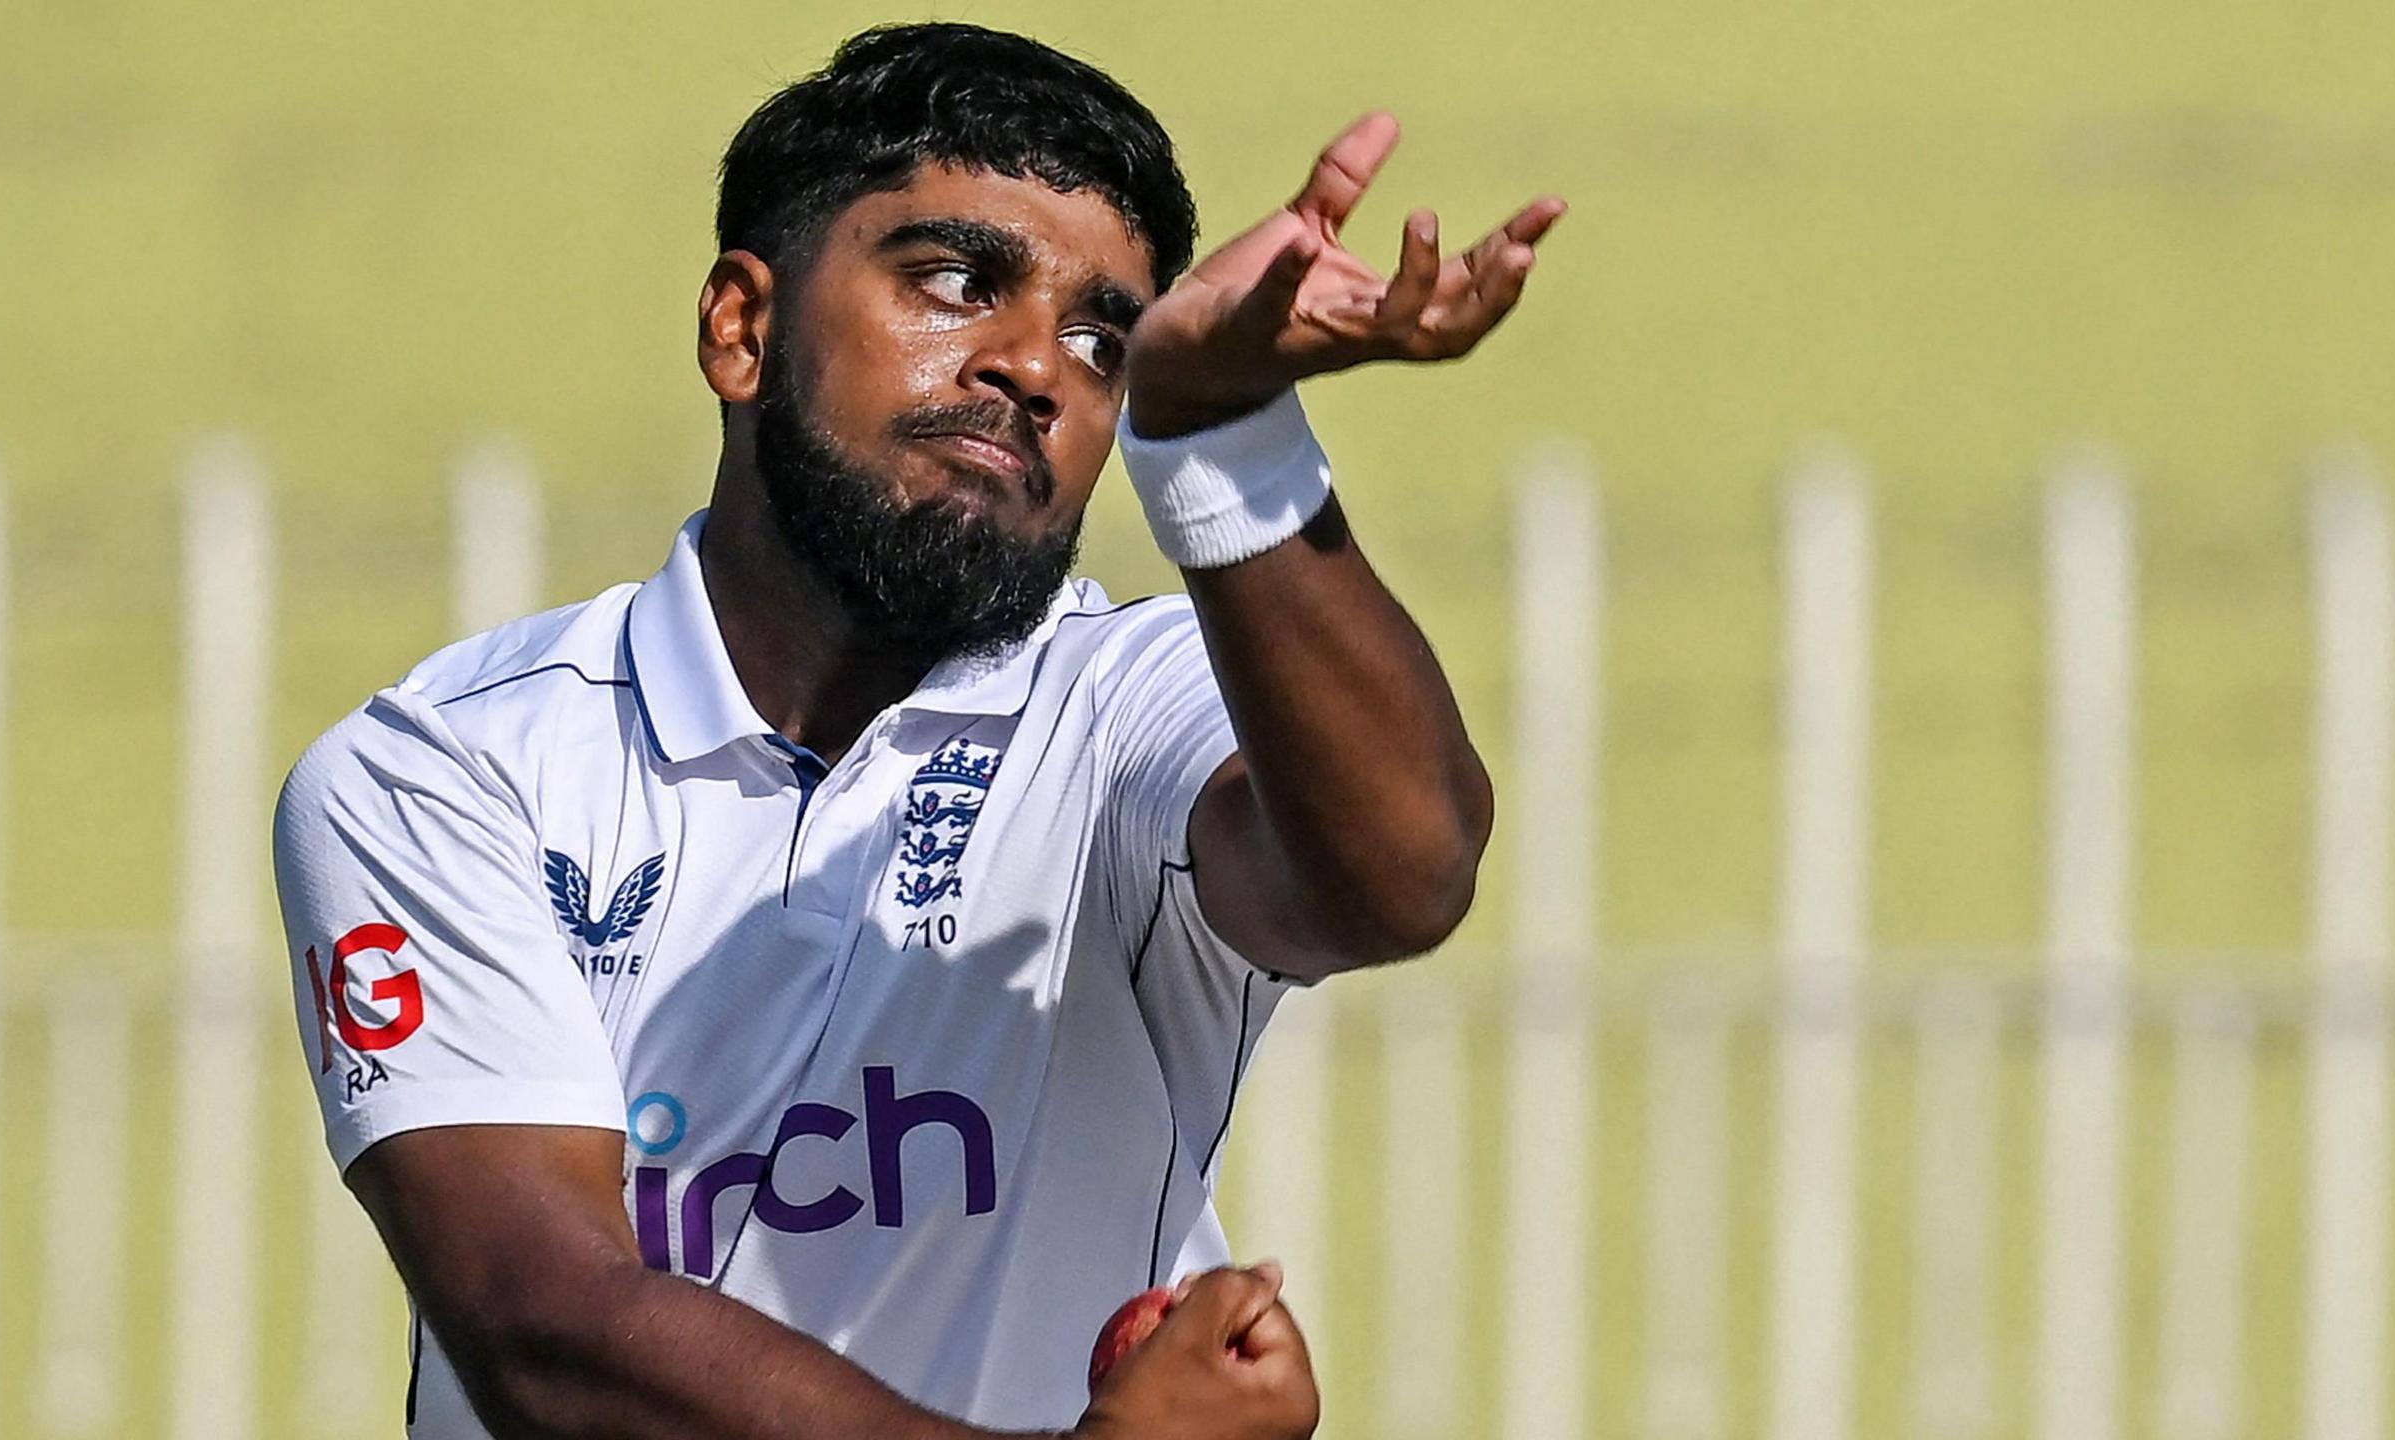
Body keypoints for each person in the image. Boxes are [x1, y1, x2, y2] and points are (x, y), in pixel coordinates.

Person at [273, 20, 1557, 1440]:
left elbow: (1402, 872)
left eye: (1106, 339)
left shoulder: (1125, 705)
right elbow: (547, 1335)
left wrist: (1225, 437)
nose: (1036, 367)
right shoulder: (447, 769)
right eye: (956, 280)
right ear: (742, 327)